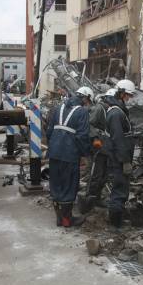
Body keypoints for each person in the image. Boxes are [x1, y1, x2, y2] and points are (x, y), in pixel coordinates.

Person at [46, 86, 94, 227]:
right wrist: (86, 153)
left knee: (56, 184)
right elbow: (82, 136)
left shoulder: (58, 107)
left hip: (54, 153)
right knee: (69, 185)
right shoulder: (82, 112)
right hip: (69, 154)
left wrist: (54, 145)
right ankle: (67, 220)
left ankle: (59, 219)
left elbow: (49, 131)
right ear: (85, 98)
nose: (87, 103)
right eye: (88, 101)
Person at [104, 80, 136, 228]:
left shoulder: (117, 111)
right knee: (119, 189)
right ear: (122, 94)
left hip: (118, 157)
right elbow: (118, 139)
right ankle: (116, 224)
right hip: (119, 159)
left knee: (121, 188)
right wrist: (125, 161)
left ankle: (116, 218)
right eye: (128, 96)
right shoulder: (116, 113)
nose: (129, 99)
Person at [83, 89, 117, 213]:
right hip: (99, 147)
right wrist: (96, 138)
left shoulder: (112, 110)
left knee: (105, 175)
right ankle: (88, 200)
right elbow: (89, 124)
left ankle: (97, 197)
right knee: (96, 174)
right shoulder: (99, 109)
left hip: (107, 148)